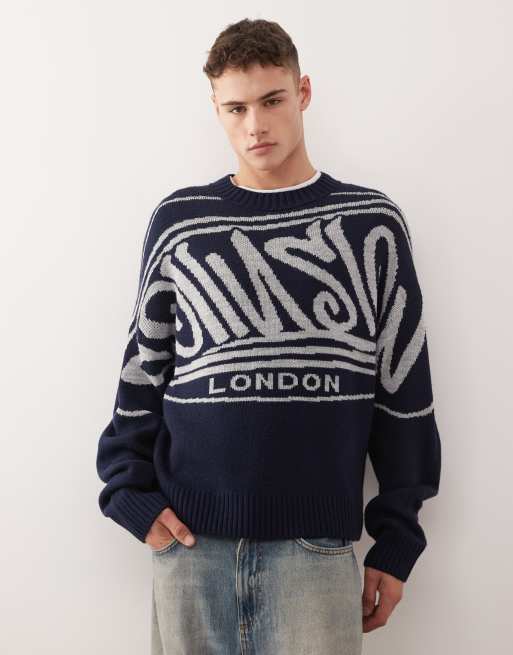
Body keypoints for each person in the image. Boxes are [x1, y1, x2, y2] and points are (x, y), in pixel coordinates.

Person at [96, 17, 442, 655]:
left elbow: (404, 391)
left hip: (315, 553)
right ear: (215, 108)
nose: (255, 125)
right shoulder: (181, 224)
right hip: (189, 546)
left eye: (272, 100)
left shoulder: (370, 225)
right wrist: (127, 495)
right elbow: (142, 373)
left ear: (303, 92)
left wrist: (397, 540)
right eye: (236, 108)